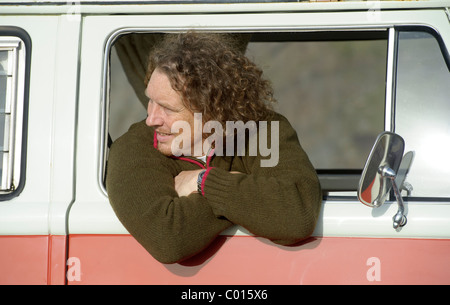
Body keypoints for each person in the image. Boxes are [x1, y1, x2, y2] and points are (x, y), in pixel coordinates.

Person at [106, 31, 322, 264]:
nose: (151, 119)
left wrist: (204, 182)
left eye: (167, 108)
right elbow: (169, 239)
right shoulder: (133, 149)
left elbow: (297, 212)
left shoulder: (262, 130)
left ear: (210, 111)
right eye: (151, 100)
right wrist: (242, 191)